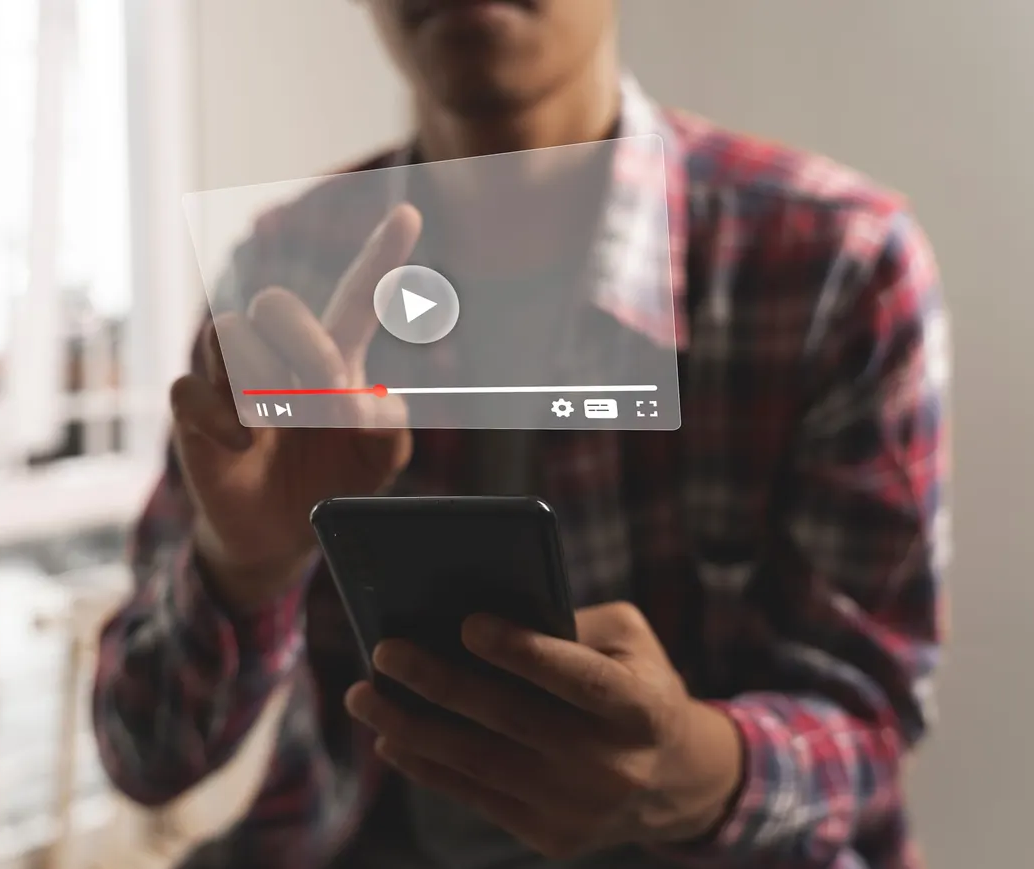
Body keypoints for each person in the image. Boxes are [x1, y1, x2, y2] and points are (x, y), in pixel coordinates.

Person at [92, 1, 949, 867]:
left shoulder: (832, 263)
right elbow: (143, 749)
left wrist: (691, 768)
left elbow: (869, 723)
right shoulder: (286, 270)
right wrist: (243, 566)